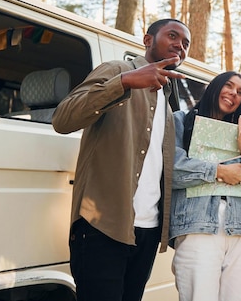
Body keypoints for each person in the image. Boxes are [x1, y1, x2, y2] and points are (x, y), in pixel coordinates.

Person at [52, 18, 191, 301]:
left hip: (148, 232)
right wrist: (124, 82)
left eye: (186, 43)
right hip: (102, 226)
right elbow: (63, 119)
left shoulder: (167, 99)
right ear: (148, 40)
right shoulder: (118, 69)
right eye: (173, 36)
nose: (180, 45)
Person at [170, 71, 241, 301]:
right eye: (229, 86)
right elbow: (172, 170)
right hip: (198, 226)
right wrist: (218, 171)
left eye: (240, 92)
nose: (234, 93)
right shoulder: (181, 121)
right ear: (215, 86)